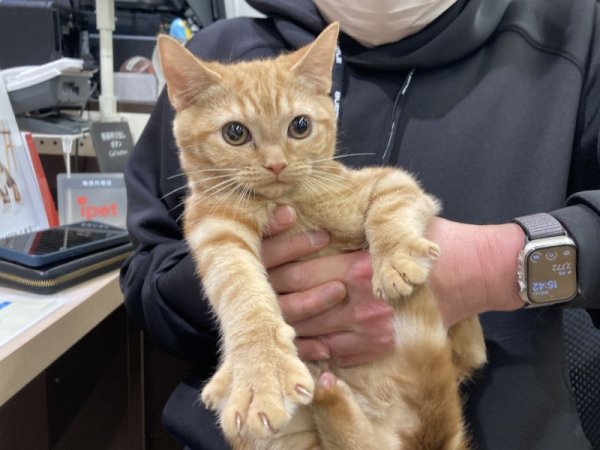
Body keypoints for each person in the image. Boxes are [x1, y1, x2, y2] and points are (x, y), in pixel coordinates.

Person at [120, 0, 600, 448]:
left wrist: (496, 268)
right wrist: (248, 295)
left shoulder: (579, 29)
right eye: (237, 133)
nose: (274, 162)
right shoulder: (216, 53)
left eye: (299, 127)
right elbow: (146, 274)